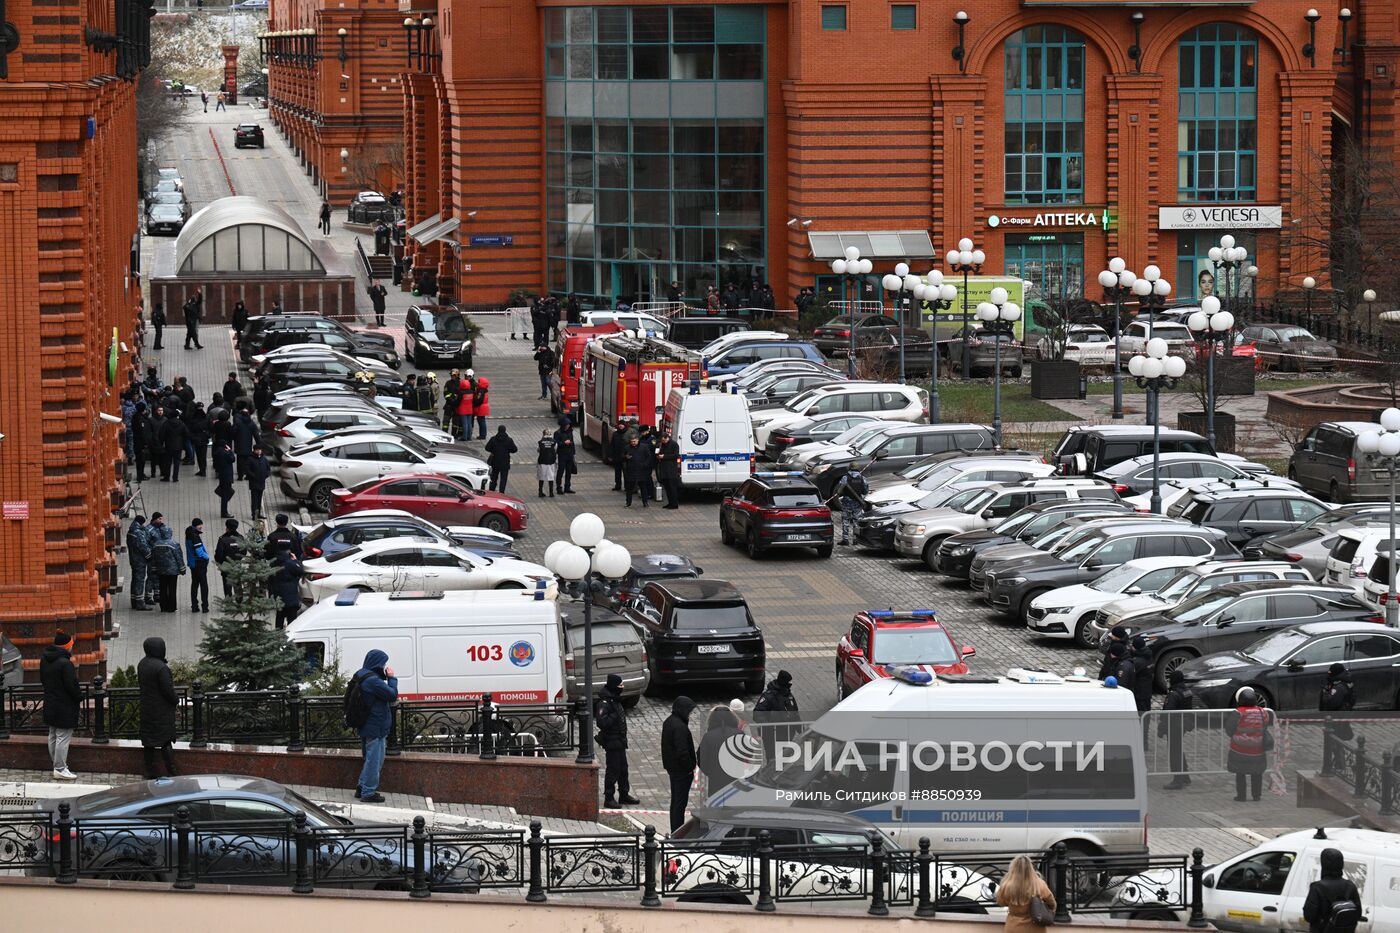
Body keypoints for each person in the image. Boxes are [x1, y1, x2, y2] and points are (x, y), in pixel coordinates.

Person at [352, 649, 398, 802]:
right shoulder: (373, 681)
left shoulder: (361, 674)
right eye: (383, 663)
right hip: (375, 725)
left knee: (369, 758)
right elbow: (391, 694)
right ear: (378, 663)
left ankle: (361, 787)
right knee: (375, 760)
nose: (385, 666)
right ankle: (368, 792)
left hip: (364, 724)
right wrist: (391, 678)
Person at [40, 630, 82, 781]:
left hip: (50, 702)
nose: (72, 647)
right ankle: (60, 768)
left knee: (53, 735)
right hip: (64, 706)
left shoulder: (45, 659)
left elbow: (43, 680)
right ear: (66, 647)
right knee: (63, 737)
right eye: (71, 645)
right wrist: (79, 696)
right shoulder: (65, 664)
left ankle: (57, 765)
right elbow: (72, 687)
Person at [595, 673, 639, 807]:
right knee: (613, 770)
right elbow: (602, 723)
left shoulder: (615, 700)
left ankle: (624, 794)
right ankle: (609, 797)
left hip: (619, 740)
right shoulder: (605, 703)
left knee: (623, 769)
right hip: (612, 741)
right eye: (620, 685)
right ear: (614, 686)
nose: (623, 687)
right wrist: (614, 714)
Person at [138, 636, 178, 778]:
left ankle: (148, 771)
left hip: (147, 709)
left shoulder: (142, 664)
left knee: (149, 742)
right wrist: (176, 700)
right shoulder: (161, 668)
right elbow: (167, 690)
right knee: (165, 741)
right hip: (161, 711)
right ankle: (172, 772)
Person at [1226, 687, 1272, 802]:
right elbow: (1265, 726)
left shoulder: (1238, 713)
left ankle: (1241, 796)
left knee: (1240, 773)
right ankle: (1256, 796)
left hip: (1239, 749)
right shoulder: (1263, 712)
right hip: (1258, 750)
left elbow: (1229, 729)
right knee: (1257, 773)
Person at [1302, 847, 1361, 933]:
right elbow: (1358, 914)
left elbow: (1309, 916)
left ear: (1324, 864)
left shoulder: (1317, 887)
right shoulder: (1350, 886)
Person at [661, 695, 697, 832]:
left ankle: (675, 829)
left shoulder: (669, 722)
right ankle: (677, 831)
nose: (690, 714)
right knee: (680, 803)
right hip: (681, 770)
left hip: (673, 769)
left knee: (676, 801)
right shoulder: (679, 727)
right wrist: (690, 766)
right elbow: (682, 750)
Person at [996, 855, 1057, 933]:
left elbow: (1001, 902)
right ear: (1030, 868)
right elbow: (1052, 903)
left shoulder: (1007, 885)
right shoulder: (1039, 884)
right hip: (1035, 927)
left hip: (1013, 927)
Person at [1159, 668, 1195, 790]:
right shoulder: (1186, 691)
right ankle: (1185, 776)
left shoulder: (1174, 694)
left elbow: (1167, 712)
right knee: (1178, 750)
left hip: (1174, 725)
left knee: (1174, 752)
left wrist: (1161, 728)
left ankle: (1177, 780)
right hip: (1183, 724)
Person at [696, 705, 743, 795]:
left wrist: (709, 772)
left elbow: (701, 757)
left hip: (715, 778)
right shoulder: (739, 734)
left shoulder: (708, 736)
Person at [753, 669, 799, 757]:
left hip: (787, 735)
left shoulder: (789, 696)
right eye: (788, 682)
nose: (790, 684)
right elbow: (757, 714)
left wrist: (802, 731)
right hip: (771, 736)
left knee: (784, 759)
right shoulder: (769, 696)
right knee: (773, 759)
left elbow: (795, 714)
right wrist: (769, 726)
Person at [149, 513, 184, 613]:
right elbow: (179, 557)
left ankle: (163, 607)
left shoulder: (156, 544)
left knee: (162, 588)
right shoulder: (174, 544)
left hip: (161, 570)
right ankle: (172, 607)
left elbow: (154, 558)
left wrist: (154, 568)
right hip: (172, 571)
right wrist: (182, 569)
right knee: (172, 589)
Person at [268, 542, 305, 628]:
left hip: (278, 595)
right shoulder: (290, 563)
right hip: (290, 597)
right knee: (292, 621)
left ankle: (277, 635)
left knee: (279, 617)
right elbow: (300, 570)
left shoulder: (273, 562)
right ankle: (290, 638)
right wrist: (295, 560)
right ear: (289, 550)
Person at [831, 469, 868, 546]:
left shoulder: (845, 478)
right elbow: (865, 491)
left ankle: (845, 539)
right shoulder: (862, 478)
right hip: (857, 503)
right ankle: (855, 539)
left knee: (845, 521)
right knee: (856, 521)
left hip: (846, 502)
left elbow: (839, 491)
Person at [126, 515, 154, 611]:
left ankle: (134, 600)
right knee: (140, 580)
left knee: (134, 579)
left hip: (133, 559)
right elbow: (143, 546)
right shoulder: (138, 532)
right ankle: (140, 603)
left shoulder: (131, 531)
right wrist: (149, 556)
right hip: (140, 560)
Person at [184, 518, 210, 613]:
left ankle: (194, 606)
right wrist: (207, 557)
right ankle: (205, 606)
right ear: (195, 525)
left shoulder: (189, 534)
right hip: (199, 563)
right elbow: (199, 552)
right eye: (200, 525)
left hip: (193, 564)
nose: (201, 526)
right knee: (204, 585)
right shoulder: (195, 536)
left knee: (194, 584)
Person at [214, 518, 243, 597]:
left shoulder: (223, 540)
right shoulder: (240, 538)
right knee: (238, 584)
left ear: (227, 527)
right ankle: (239, 603)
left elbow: (218, 554)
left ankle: (229, 603)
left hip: (226, 565)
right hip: (237, 565)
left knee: (227, 586)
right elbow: (244, 551)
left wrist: (220, 563)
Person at [159, 404, 188, 482]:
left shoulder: (166, 423)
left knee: (168, 462)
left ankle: (167, 477)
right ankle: (175, 478)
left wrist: (162, 442)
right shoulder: (181, 423)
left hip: (168, 445)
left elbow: (162, 434)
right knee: (177, 462)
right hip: (178, 445)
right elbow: (186, 433)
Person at [485, 425, 517, 492]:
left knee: (493, 478)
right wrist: (508, 450)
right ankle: (501, 492)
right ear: (505, 430)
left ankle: (492, 491)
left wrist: (493, 450)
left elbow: (487, 448)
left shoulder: (493, 439)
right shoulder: (509, 440)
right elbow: (514, 449)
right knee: (503, 479)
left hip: (495, 462)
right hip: (505, 463)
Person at [1129, 635, 1154, 713]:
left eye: (1132, 645)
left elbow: (1130, 675)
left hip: (1139, 692)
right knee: (1146, 711)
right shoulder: (1149, 656)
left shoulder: (1137, 661)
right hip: (1148, 690)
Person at [657, 429, 681, 509]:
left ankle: (674, 504)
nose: (663, 442)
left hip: (671, 470)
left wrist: (664, 456)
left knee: (672, 488)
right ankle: (670, 502)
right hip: (664, 469)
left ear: (667, 438)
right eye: (662, 440)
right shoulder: (662, 445)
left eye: (664, 440)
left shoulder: (674, 444)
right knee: (667, 488)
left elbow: (676, 455)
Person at [245, 446, 271, 520]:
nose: (259, 451)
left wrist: (266, 475)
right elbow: (247, 470)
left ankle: (258, 513)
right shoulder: (250, 459)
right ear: (254, 451)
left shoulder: (264, 458)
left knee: (259, 499)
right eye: (257, 450)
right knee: (254, 500)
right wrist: (253, 476)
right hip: (254, 483)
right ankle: (254, 515)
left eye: (260, 450)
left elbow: (268, 468)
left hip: (261, 482)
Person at [213, 439, 236, 517]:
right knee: (226, 494)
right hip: (227, 476)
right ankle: (224, 512)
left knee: (225, 492)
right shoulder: (225, 453)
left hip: (222, 475)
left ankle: (224, 510)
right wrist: (230, 451)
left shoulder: (217, 452)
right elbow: (233, 459)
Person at [184, 403, 209, 476]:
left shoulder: (193, 420)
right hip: (204, 440)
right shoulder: (206, 419)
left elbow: (189, 431)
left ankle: (202, 470)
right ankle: (203, 470)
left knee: (199, 456)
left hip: (197, 440)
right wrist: (207, 435)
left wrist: (193, 438)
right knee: (203, 456)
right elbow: (211, 429)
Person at [232, 404, 256, 479]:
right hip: (248, 445)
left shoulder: (238, 422)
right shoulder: (251, 423)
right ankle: (248, 475)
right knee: (248, 461)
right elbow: (256, 434)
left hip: (239, 445)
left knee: (240, 461)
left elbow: (233, 432)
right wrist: (259, 444)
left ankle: (240, 476)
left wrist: (233, 438)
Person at [554, 420, 577, 494]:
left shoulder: (570, 431)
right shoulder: (557, 433)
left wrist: (573, 453)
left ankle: (567, 487)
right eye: (567, 425)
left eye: (569, 425)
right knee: (560, 471)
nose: (568, 426)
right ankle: (559, 488)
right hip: (562, 455)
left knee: (569, 472)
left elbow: (572, 442)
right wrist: (564, 443)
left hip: (570, 454)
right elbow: (556, 443)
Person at [536, 429, 558, 498]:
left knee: (541, 476)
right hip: (551, 461)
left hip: (542, 461)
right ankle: (551, 493)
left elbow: (538, 450)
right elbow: (555, 450)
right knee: (551, 477)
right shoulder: (554, 442)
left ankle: (540, 492)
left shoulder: (541, 442)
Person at [608, 420, 629, 491]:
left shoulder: (627, 433)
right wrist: (610, 455)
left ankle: (627, 486)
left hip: (625, 457)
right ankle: (618, 485)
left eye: (622, 424)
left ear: (624, 425)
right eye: (619, 424)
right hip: (617, 456)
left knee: (626, 473)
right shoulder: (615, 434)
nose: (620, 426)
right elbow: (612, 445)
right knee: (617, 473)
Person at [455, 371, 476, 441]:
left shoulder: (461, 393)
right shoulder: (471, 392)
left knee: (464, 424)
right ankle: (469, 437)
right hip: (470, 409)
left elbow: (457, 401)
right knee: (469, 423)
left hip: (463, 410)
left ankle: (464, 437)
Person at [471, 374, 490, 439]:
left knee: (481, 421)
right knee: (482, 421)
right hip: (484, 407)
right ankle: (483, 434)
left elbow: (479, 400)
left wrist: (474, 403)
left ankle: (482, 435)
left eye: (479, 382)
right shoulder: (485, 389)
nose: (478, 383)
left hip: (481, 408)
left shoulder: (481, 391)